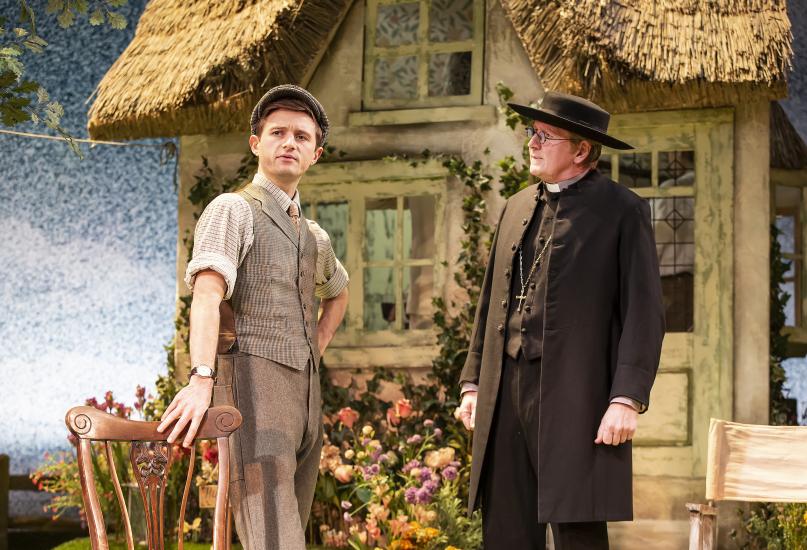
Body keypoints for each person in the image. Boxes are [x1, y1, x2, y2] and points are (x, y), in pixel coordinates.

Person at [454, 91, 665, 549]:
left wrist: (627, 398)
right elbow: (491, 300)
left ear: (582, 150)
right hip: (507, 387)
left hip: (578, 392)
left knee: (577, 529)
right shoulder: (515, 207)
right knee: (506, 526)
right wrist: (473, 382)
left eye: (545, 136)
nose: (531, 142)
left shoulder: (621, 210)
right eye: (532, 133)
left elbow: (644, 313)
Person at [156, 85, 349, 549]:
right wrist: (202, 378)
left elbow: (338, 294)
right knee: (273, 538)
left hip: (305, 395)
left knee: (288, 532)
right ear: (255, 143)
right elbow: (206, 293)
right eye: (277, 132)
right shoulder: (233, 210)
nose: (289, 142)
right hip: (253, 385)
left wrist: (313, 352)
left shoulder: (314, 236)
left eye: (302, 136)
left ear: (315, 153)